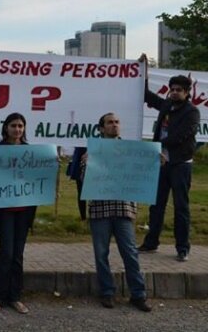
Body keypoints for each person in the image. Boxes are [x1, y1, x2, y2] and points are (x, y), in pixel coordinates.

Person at [83, 113, 152, 312]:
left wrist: (155, 162)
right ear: (101, 128)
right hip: (100, 210)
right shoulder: (93, 150)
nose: (114, 125)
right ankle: (107, 292)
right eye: (109, 122)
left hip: (124, 209)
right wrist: (86, 165)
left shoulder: (132, 151)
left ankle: (138, 294)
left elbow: (143, 172)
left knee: (130, 253)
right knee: (101, 253)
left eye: (117, 122)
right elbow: (83, 179)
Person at [138, 55, 200, 262]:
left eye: (178, 90)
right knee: (156, 204)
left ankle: (182, 247)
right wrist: (143, 72)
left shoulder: (192, 112)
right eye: (172, 89)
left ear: (186, 92)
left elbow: (182, 135)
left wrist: (159, 148)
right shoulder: (166, 106)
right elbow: (146, 96)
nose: (174, 93)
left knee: (181, 206)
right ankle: (151, 242)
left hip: (180, 164)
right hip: (162, 163)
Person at [0, 112, 36, 315]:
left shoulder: (31, 152)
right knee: (6, 253)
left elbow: (39, 174)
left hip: (24, 211)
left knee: (18, 255)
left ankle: (14, 297)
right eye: (13, 125)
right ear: (6, 128)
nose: (17, 129)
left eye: (21, 126)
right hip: (4, 211)